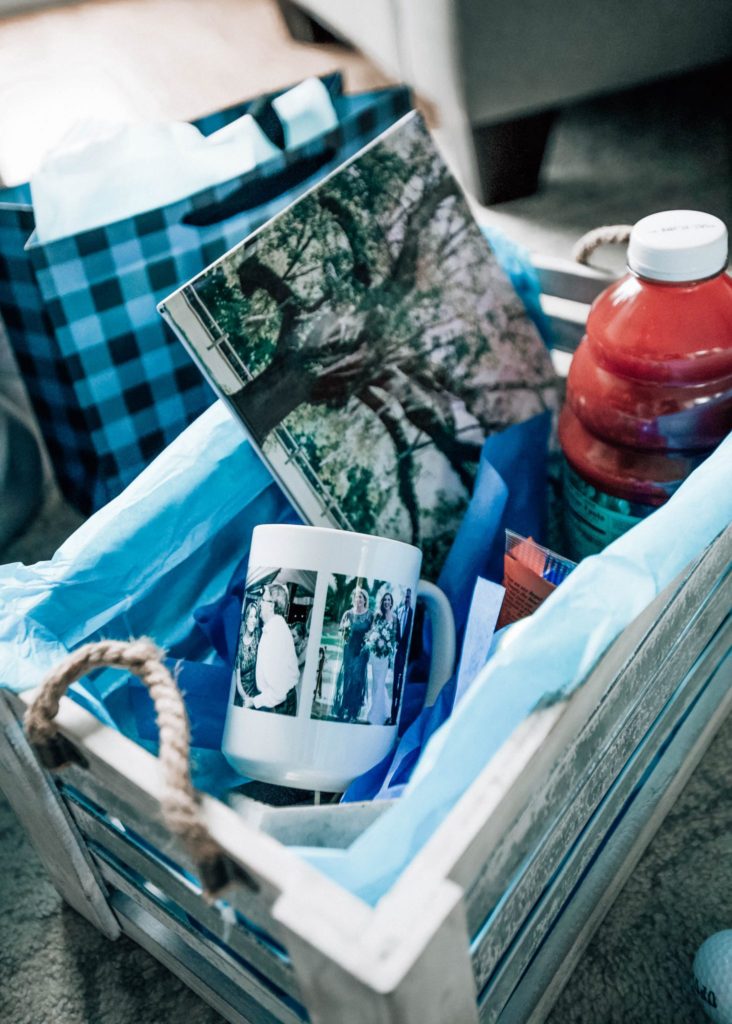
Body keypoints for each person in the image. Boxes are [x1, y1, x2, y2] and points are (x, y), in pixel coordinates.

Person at [244, 583, 299, 715]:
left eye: (263, 599)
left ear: (272, 605)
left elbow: (278, 692)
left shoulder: (275, 634)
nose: (260, 603)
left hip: (277, 706)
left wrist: (254, 702)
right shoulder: (275, 627)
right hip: (278, 702)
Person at [333, 586, 373, 722]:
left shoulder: (370, 615)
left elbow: (373, 633)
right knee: (348, 678)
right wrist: (344, 633)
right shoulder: (348, 614)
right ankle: (344, 707)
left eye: (361, 597)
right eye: (356, 597)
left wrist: (369, 642)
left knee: (357, 680)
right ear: (353, 599)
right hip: (349, 650)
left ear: (365, 599)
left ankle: (353, 711)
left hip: (362, 651)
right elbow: (340, 632)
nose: (358, 599)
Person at [367, 592, 398, 725]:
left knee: (380, 683)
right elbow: (372, 631)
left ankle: (377, 714)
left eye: (388, 600)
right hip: (376, 655)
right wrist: (372, 641)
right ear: (382, 602)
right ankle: (381, 710)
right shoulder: (377, 616)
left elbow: (395, 637)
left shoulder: (395, 618)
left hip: (385, 656)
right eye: (385, 600)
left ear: (391, 602)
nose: (386, 602)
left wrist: (391, 654)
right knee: (375, 684)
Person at [391, 587, 413, 723]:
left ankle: (396, 714)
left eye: (409, 597)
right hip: (399, 651)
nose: (407, 599)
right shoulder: (398, 612)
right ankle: (393, 714)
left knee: (401, 681)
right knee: (396, 681)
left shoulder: (412, 612)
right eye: (405, 597)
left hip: (407, 652)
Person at [233, 600, 259, 706]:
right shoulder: (239, 644)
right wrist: (246, 699)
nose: (253, 620)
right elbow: (238, 681)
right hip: (242, 695)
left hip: (256, 694)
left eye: (255, 617)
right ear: (246, 618)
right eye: (251, 616)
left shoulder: (258, 637)